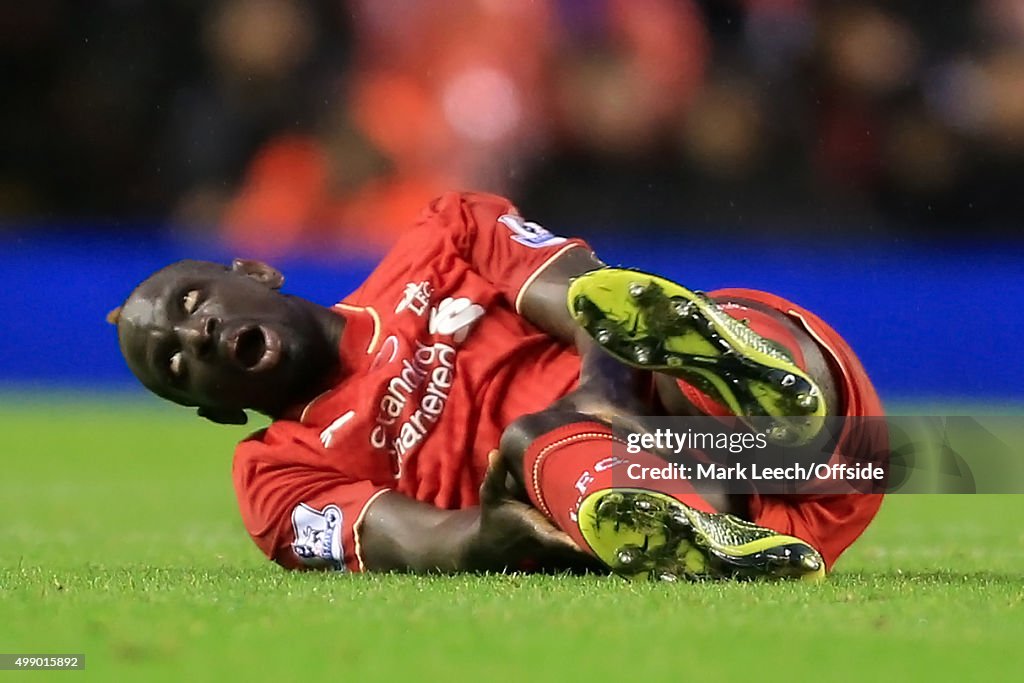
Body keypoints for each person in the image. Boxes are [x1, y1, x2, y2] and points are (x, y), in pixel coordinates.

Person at [109, 191, 886, 581]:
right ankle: (693, 534)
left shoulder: (446, 235)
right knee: (534, 445)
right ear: (210, 408)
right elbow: (418, 540)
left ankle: (772, 396)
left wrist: (609, 398)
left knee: (689, 325)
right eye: (175, 364)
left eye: (190, 302)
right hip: (685, 512)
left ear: (254, 269)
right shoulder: (277, 478)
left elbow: (591, 299)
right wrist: (489, 538)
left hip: (791, 441)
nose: (196, 334)